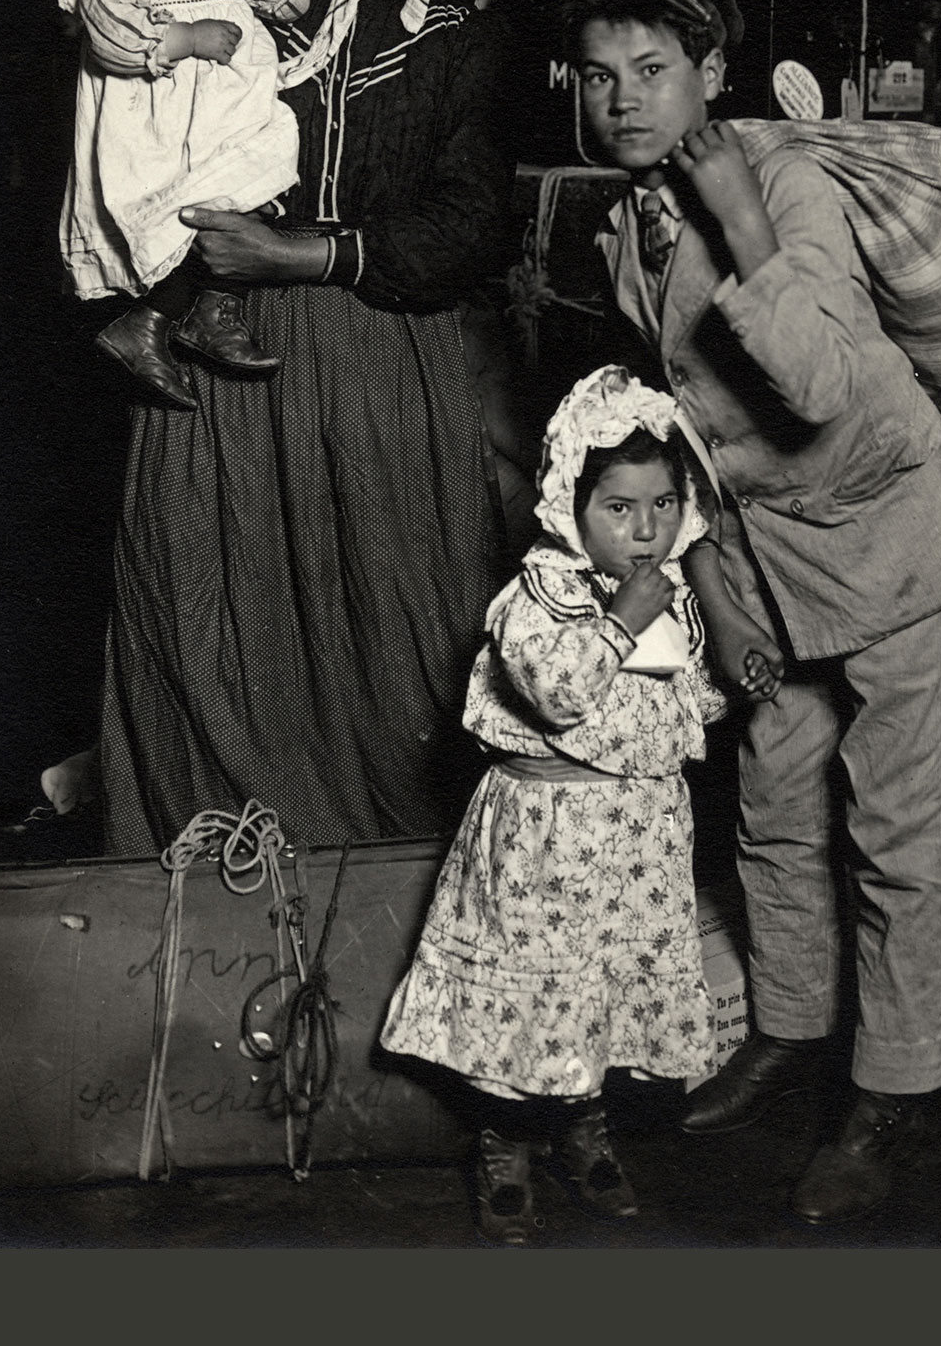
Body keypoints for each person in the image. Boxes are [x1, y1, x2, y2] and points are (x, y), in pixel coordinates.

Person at [560, 0, 941, 1225]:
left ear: (708, 65)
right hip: (765, 566)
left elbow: (811, 380)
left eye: (649, 67)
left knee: (895, 831)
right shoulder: (622, 221)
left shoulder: (788, 180)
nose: (622, 99)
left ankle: (890, 1090)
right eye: (598, 76)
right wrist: (708, 592)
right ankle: (792, 1027)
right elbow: (672, 435)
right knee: (769, 805)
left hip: (887, 544)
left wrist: (742, 214)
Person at [90, 0, 515, 856]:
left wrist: (302, 250)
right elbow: (128, 30)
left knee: (390, 626)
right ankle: (220, 894)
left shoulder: (465, 37)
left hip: (376, 353)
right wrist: (102, 28)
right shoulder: (255, 2)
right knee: (209, 606)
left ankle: (392, 902)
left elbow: (471, 226)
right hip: (221, 360)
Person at [379, 366, 773, 1245]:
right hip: (544, 846)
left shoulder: (673, 598)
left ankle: (584, 1125)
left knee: (600, 997)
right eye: (621, 508)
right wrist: (621, 623)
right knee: (536, 1000)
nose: (647, 530)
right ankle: (506, 1141)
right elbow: (558, 692)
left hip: (636, 844)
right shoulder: (536, 599)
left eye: (664, 505)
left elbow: (677, 711)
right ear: (569, 505)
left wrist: (729, 681)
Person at [59, 0, 312, 407]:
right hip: (156, 126)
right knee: (182, 218)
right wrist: (186, 37)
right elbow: (112, 37)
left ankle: (210, 311)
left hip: (235, 117)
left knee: (256, 189)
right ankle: (149, 319)